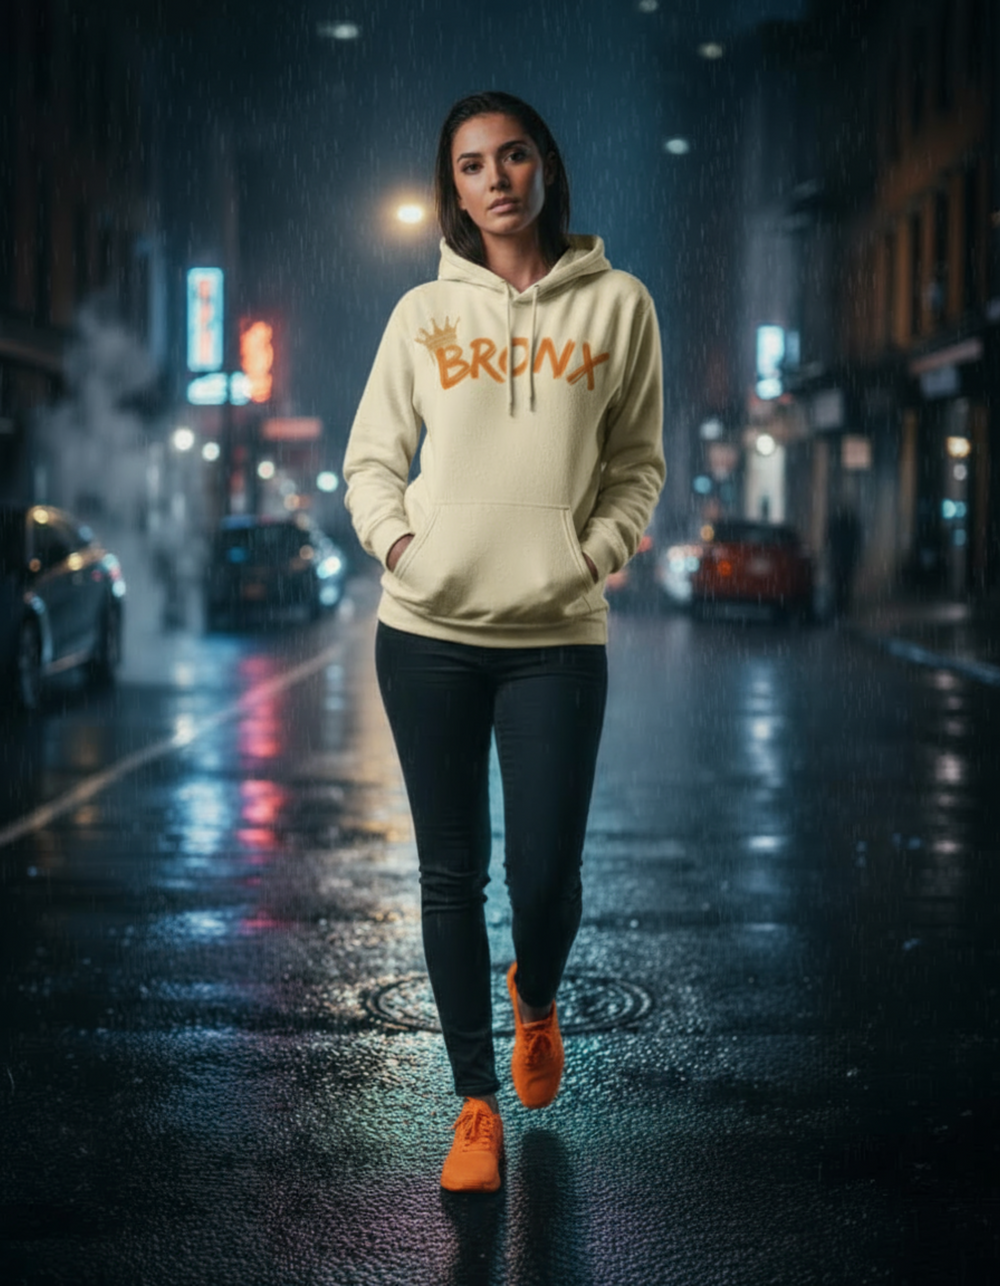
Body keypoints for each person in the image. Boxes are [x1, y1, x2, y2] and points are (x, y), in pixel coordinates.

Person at [343, 91, 665, 1193]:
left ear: (543, 166)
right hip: (425, 630)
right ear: (456, 187)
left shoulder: (619, 305)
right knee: (448, 872)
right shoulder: (421, 316)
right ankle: (472, 1101)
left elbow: (637, 462)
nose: (495, 177)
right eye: (473, 163)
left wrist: (597, 551)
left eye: (512, 154)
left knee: (542, 877)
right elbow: (370, 460)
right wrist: (399, 548)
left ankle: (536, 993)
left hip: (558, 633)